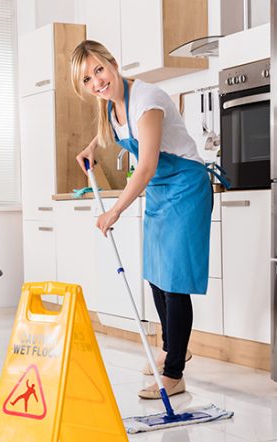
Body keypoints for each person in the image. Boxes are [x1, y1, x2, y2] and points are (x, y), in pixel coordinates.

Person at [70, 40, 212, 399]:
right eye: (88, 79)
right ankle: (173, 347)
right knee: (156, 274)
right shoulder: (111, 107)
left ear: (113, 64)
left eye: (99, 70)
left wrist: (115, 210)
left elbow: (145, 165)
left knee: (174, 279)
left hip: (185, 186)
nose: (97, 82)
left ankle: (175, 373)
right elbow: (114, 129)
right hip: (163, 192)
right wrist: (92, 147)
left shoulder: (147, 100)